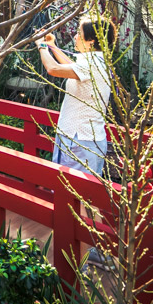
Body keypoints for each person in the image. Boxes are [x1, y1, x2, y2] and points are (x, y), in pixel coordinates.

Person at [36, 17, 115, 267]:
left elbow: (53, 70)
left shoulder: (93, 64)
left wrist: (41, 46)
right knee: (80, 198)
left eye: (80, 35)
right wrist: (53, 46)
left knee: (84, 199)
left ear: (91, 40)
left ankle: (98, 250)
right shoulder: (92, 63)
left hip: (82, 140)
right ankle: (93, 248)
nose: (77, 39)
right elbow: (71, 67)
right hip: (77, 137)